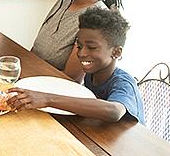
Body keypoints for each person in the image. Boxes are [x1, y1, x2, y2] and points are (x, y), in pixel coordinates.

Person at [9, 7, 144, 124]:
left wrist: (47, 99)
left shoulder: (124, 83)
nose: (81, 53)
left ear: (116, 52)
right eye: (79, 46)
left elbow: (113, 111)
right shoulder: (93, 73)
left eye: (91, 47)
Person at [31, 0, 123, 82]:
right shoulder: (63, 2)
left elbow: (70, 78)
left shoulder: (96, 20)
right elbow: (37, 49)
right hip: (32, 75)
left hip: (53, 90)